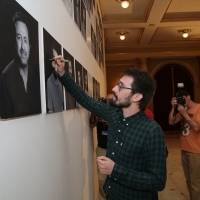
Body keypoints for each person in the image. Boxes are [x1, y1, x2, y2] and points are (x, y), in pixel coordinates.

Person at [53, 55, 167, 200]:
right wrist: (62, 74)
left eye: (120, 86)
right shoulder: (113, 113)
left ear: (137, 97)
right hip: (111, 194)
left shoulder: (152, 131)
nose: (114, 88)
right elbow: (86, 100)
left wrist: (115, 170)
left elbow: (158, 181)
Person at [0, 11, 41, 119]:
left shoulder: (35, 78)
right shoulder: (5, 78)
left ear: (30, 46)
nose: (23, 47)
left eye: (25, 40)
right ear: (14, 43)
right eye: (19, 38)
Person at [168, 90, 200, 200]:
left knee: (196, 183)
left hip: (196, 151)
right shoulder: (182, 110)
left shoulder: (198, 108)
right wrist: (173, 108)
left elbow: (196, 128)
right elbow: (171, 122)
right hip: (184, 149)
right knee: (189, 180)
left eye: (183, 98)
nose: (181, 101)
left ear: (189, 97)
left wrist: (185, 114)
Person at [90, 94, 113, 200]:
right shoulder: (99, 114)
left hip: (115, 149)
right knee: (102, 178)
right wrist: (95, 111)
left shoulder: (118, 113)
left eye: (111, 100)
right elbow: (92, 125)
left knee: (115, 177)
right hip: (102, 149)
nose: (108, 102)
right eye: (107, 100)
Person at [46, 43, 64, 113]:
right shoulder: (49, 81)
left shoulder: (61, 81)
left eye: (58, 60)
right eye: (54, 59)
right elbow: (50, 110)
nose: (56, 63)